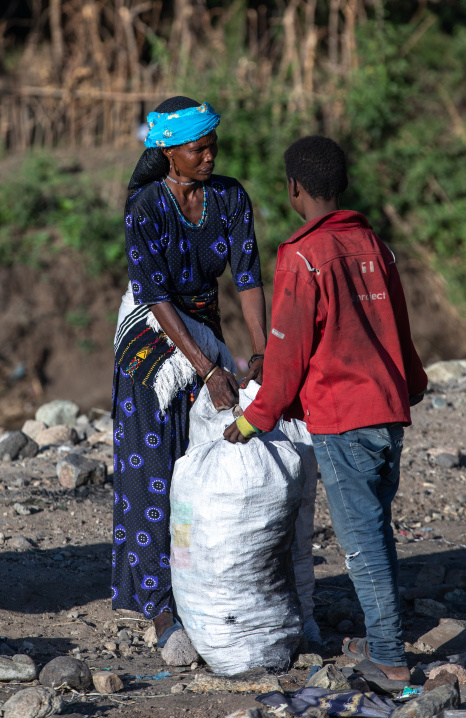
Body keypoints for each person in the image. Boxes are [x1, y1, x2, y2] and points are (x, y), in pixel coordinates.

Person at [224, 136, 428, 693]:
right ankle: (380, 635)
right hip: (388, 412)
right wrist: (412, 383)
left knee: (360, 539)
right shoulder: (374, 245)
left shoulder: (303, 255)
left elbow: (287, 354)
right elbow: (398, 329)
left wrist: (254, 418)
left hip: (344, 419)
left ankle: (388, 659)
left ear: (294, 188)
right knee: (376, 528)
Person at [111, 96, 267, 654]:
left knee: (202, 461)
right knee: (154, 468)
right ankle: (159, 608)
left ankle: (207, 588)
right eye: (198, 148)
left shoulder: (229, 198)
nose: (209, 156)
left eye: (212, 146)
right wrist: (206, 368)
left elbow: (247, 277)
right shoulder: (145, 207)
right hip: (154, 337)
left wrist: (259, 352)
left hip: (204, 324)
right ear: (168, 152)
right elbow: (153, 295)